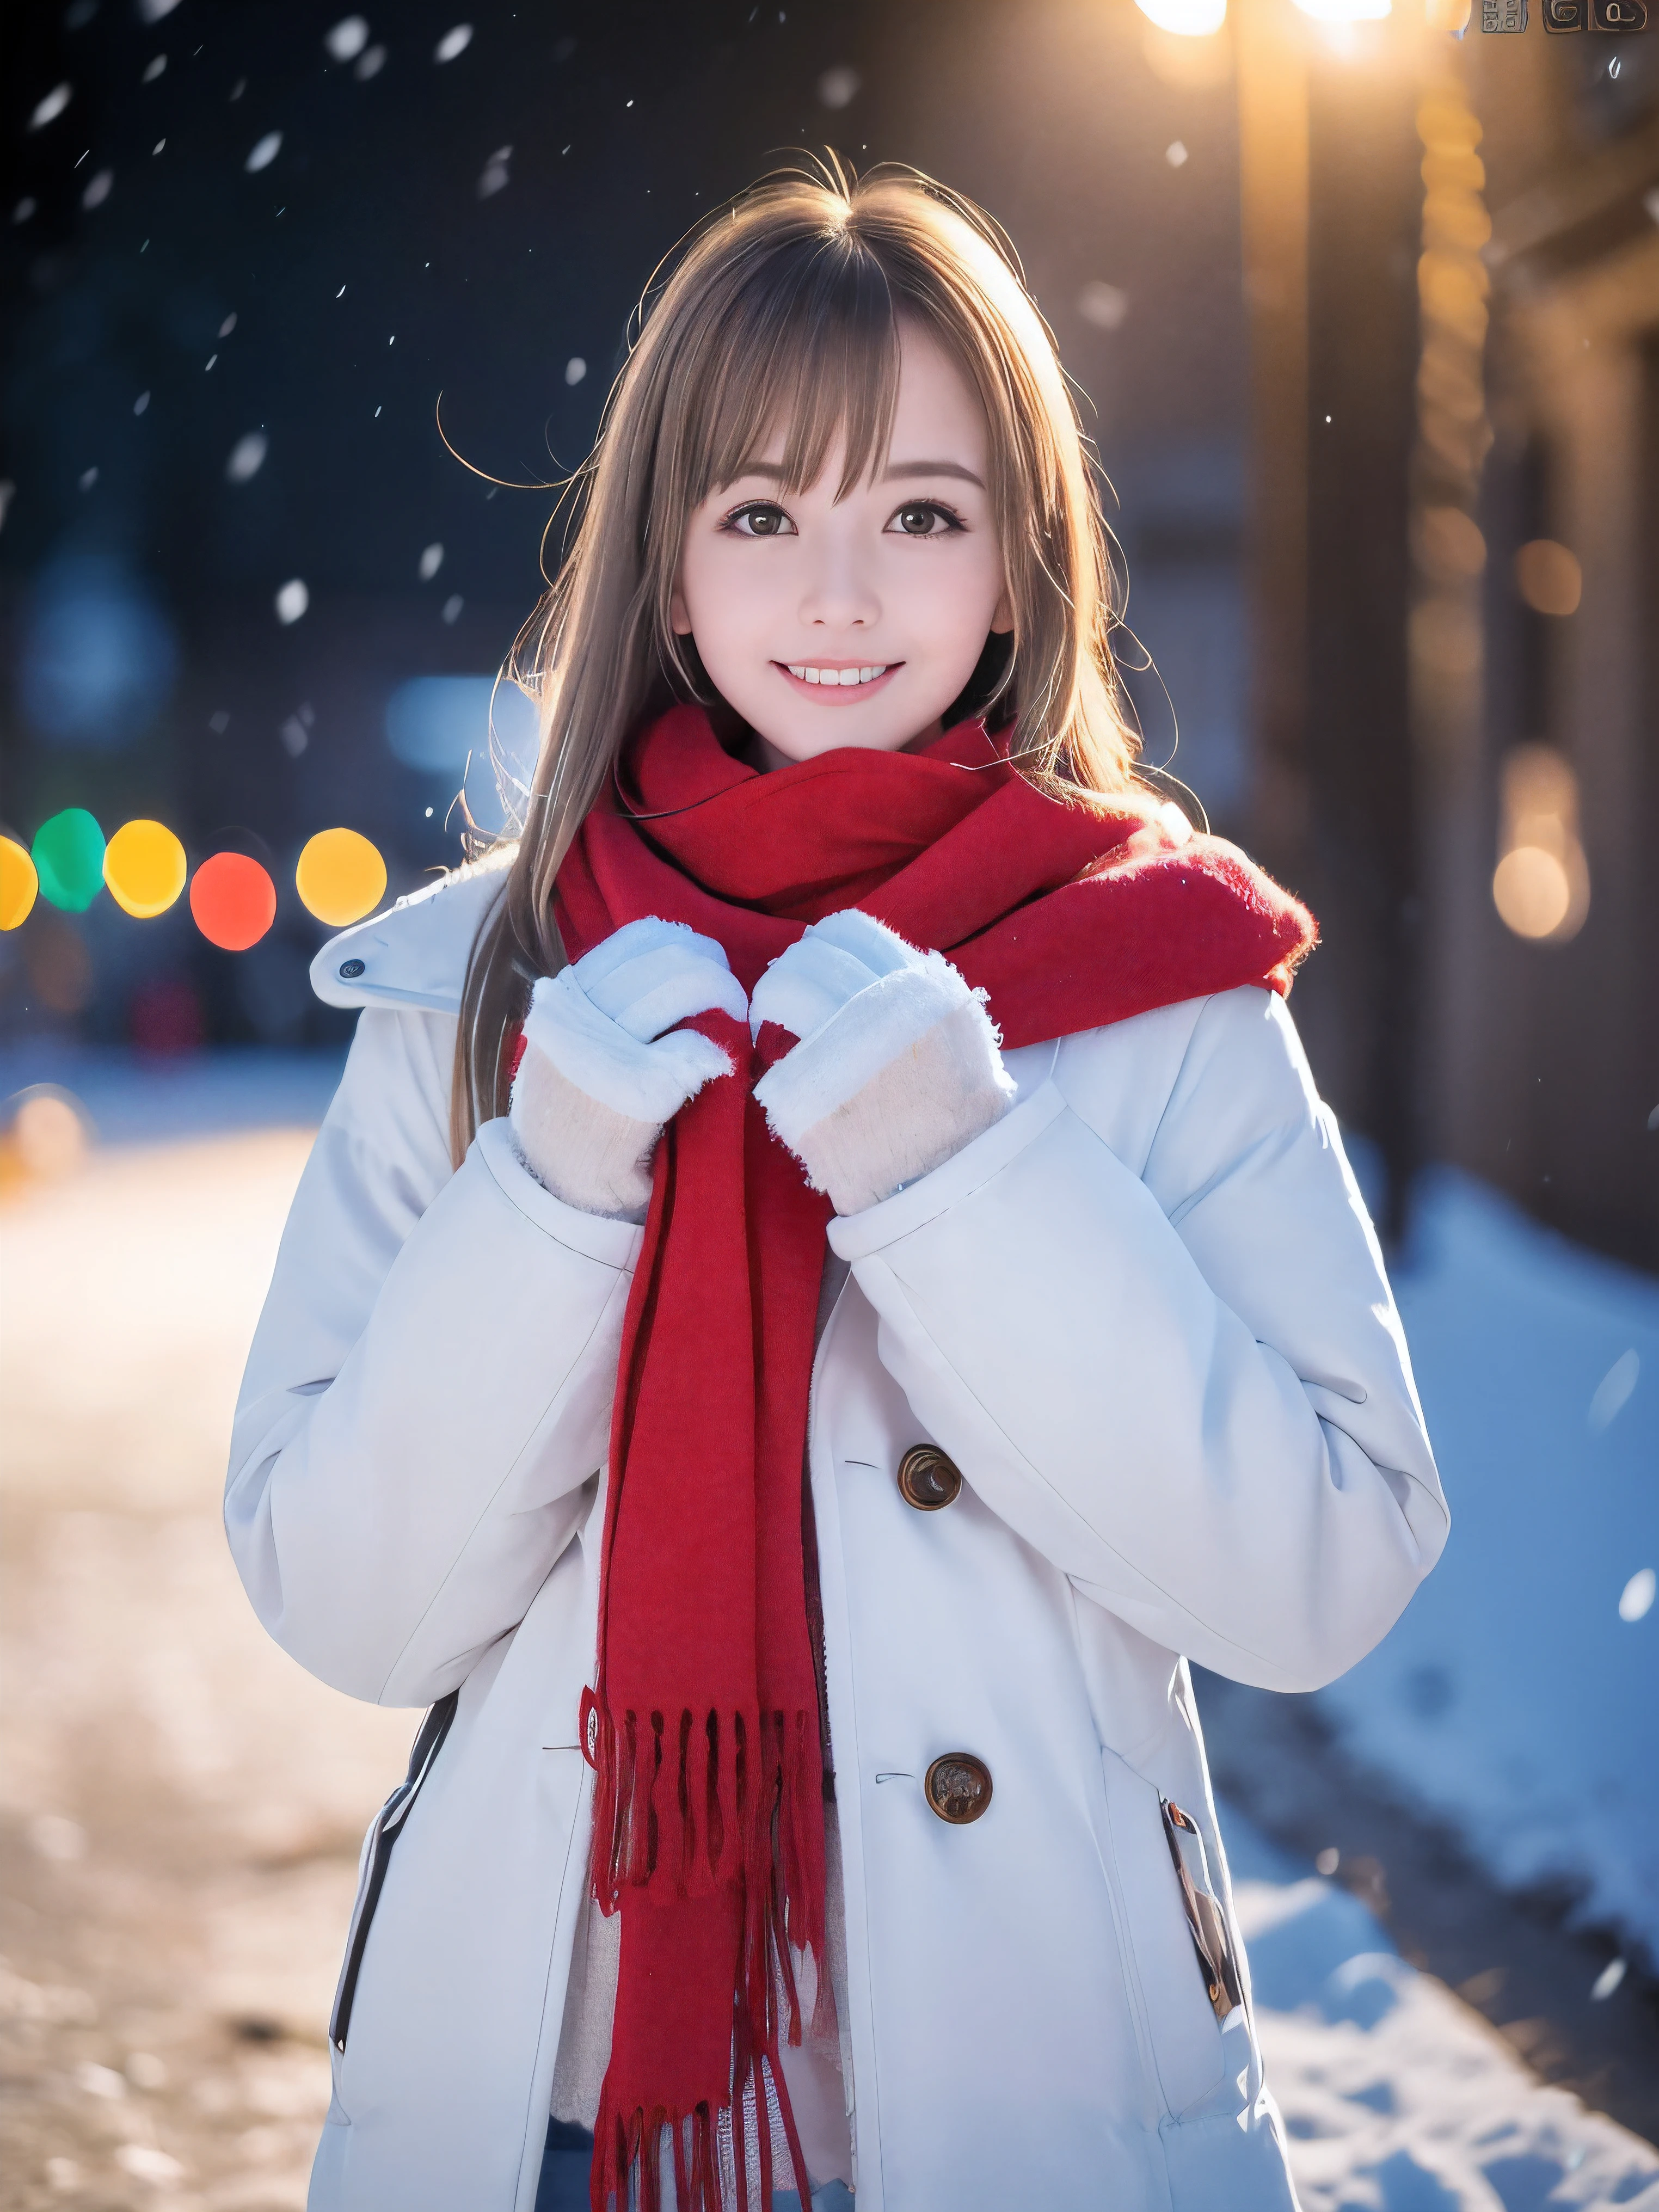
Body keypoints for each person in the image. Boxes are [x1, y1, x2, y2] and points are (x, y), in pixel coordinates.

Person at [226, 161, 1447, 2212]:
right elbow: (349, 1602)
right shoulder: (484, 990)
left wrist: (962, 1170)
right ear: (671, 574)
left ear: (1016, 562)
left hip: (1032, 2116)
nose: (842, 597)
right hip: (552, 2118)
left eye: (921, 515)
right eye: (765, 517)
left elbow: (1324, 1572)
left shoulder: (1162, 988)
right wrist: (557, 1188)